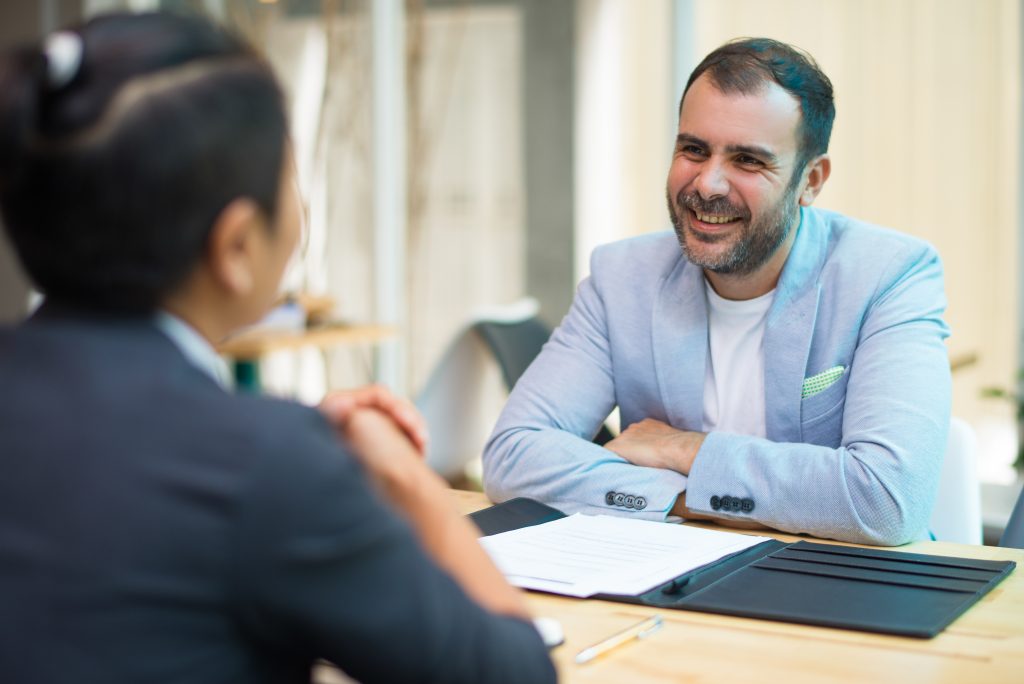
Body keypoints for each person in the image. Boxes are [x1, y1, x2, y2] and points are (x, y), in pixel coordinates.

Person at [0, 12, 555, 684]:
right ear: (235, 247)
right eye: (288, 178)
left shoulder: (257, 459)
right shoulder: (268, 468)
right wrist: (406, 477)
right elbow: (514, 673)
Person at [483, 38, 950, 547]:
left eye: (748, 160)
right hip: (670, 573)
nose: (708, 185)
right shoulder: (622, 278)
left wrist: (685, 450)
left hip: (846, 588)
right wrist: (685, 497)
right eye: (694, 149)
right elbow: (513, 454)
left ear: (810, 180)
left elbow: (885, 499)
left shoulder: (890, 275)